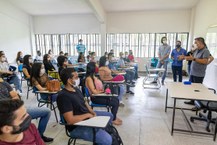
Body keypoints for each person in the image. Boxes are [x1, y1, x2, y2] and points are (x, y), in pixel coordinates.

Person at [57, 68, 113, 145]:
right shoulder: (63, 96)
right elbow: (70, 120)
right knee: (107, 139)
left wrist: (92, 112)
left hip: (86, 116)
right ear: (69, 80)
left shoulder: (76, 89)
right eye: (76, 77)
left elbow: (85, 103)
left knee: (110, 116)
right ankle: (101, 136)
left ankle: (99, 134)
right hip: (76, 126)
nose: (78, 79)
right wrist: (88, 115)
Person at [0, 78, 53, 142]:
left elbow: (15, 96)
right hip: (4, 116)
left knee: (46, 112)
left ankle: (39, 135)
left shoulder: (4, 84)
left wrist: (12, 105)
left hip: (16, 110)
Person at [184, 37, 210, 105]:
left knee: (197, 90)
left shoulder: (205, 51)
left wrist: (194, 59)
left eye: (196, 43)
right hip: (193, 72)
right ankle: (192, 101)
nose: (195, 44)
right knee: (191, 88)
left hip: (199, 74)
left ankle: (198, 104)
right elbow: (191, 57)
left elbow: (205, 61)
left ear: (201, 43)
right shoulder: (197, 50)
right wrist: (184, 57)